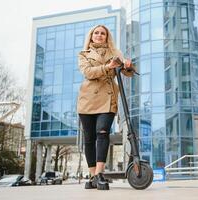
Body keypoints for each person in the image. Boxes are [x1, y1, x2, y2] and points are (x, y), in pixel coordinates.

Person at [77, 25, 134, 190]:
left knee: (102, 132)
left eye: (103, 33)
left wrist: (128, 66)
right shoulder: (84, 54)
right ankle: (92, 174)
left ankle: (100, 174)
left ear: (107, 36)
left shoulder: (116, 53)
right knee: (89, 139)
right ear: (91, 36)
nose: (99, 35)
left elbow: (126, 72)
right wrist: (107, 67)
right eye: (96, 33)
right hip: (87, 100)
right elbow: (88, 72)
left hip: (108, 98)